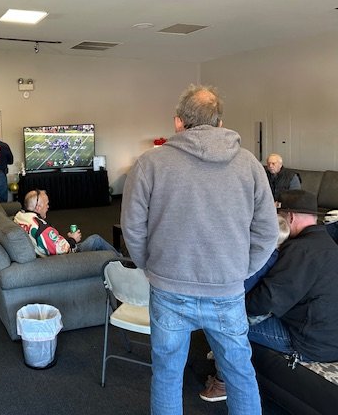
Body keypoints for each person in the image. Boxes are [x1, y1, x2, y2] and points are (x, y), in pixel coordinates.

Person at [121, 84, 279, 415]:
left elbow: (132, 228)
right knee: (240, 376)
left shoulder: (149, 163)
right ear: (220, 123)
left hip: (168, 288)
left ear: (178, 122)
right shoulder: (250, 165)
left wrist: (151, 266)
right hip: (226, 291)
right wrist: (240, 270)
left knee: (167, 376)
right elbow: (267, 231)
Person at [200, 213, 290, 403]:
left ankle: (222, 382)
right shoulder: (276, 256)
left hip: (249, 308)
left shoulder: (262, 259)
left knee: (223, 330)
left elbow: (242, 286)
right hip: (254, 305)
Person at [246, 189, 338, 363]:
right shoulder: (329, 244)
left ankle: (224, 377)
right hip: (329, 339)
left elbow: (268, 299)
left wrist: (234, 308)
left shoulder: (300, 249)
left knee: (223, 324)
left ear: (290, 218)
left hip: (310, 344)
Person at [14, 189, 119, 256]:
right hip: (65, 259)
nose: (48, 207)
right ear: (38, 207)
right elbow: (64, 250)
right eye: (47, 204)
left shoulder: (19, 216)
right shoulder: (41, 228)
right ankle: (121, 260)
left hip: (49, 252)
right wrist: (73, 239)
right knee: (96, 240)